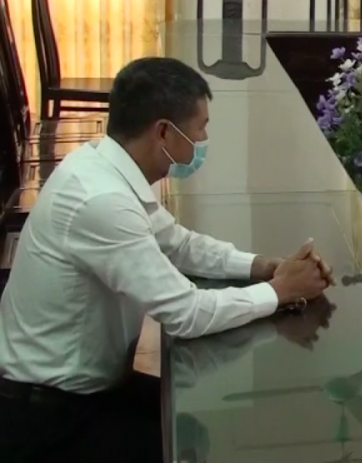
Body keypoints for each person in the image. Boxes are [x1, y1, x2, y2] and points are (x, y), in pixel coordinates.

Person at [0, 57, 334, 463]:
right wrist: (279, 291)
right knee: (192, 444)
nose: (204, 138)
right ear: (163, 132)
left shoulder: (103, 165)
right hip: (47, 417)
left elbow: (178, 244)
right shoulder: (102, 202)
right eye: (200, 127)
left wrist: (265, 266)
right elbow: (185, 314)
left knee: (196, 425)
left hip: (88, 388)